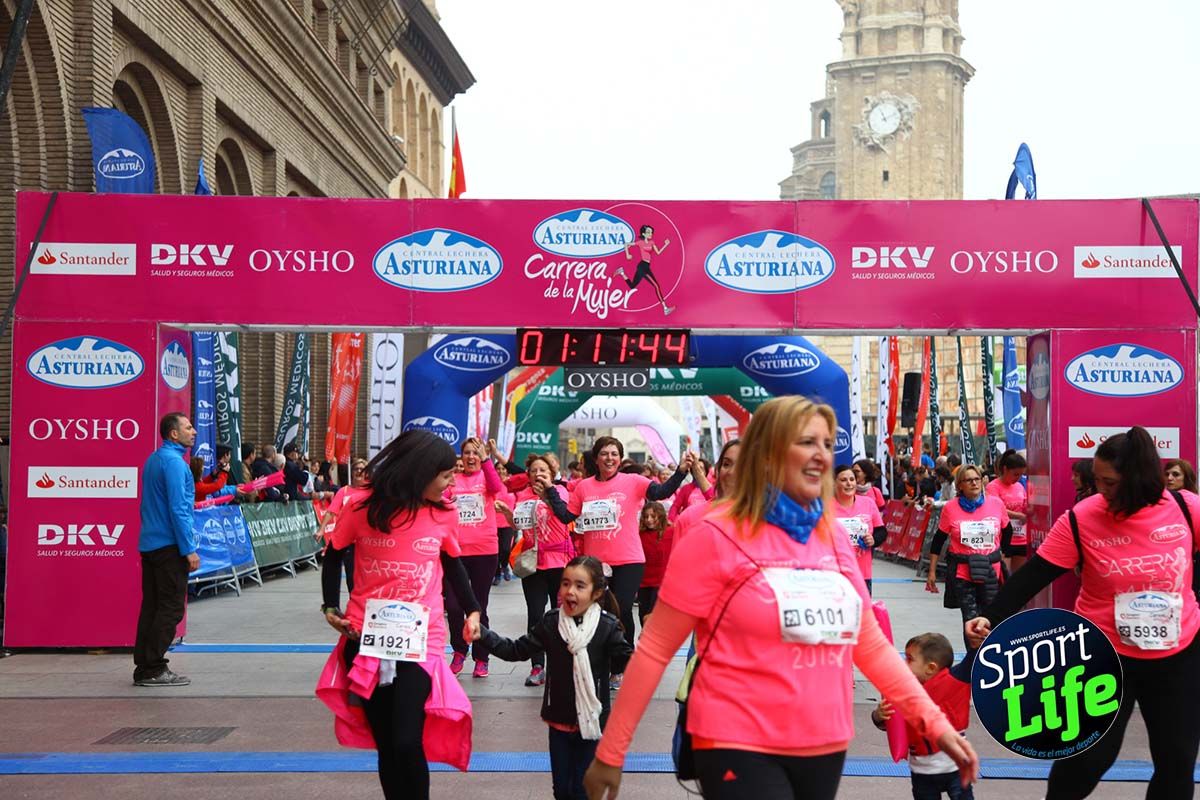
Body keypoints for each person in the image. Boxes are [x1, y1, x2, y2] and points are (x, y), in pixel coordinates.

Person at [583, 396, 978, 800]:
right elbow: (654, 651)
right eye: (807, 442)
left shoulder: (833, 538)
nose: (821, 455)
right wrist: (611, 752)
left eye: (827, 444)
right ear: (767, 453)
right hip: (735, 738)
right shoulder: (712, 535)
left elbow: (872, 648)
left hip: (824, 740)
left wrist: (936, 725)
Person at [966, 427, 1200, 800]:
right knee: (1088, 760)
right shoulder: (1082, 517)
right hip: (1104, 656)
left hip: (1178, 654)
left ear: (1138, 481)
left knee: (1177, 761)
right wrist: (990, 617)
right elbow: (1034, 575)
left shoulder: (1186, 507)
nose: (1101, 489)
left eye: (1109, 482)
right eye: (1097, 480)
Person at [316, 429, 481, 800]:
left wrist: (472, 610)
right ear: (421, 472)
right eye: (445, 474)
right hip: (365, 638)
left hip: (420, 641)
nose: (451, 481)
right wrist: (330, 606)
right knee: (387, 742)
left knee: (407, 739)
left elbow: (454, 566)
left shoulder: (444, 514)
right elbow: (333, 555)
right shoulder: (360, 508)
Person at [482, 555, 632, 800]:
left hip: (593, 724)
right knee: (561, 791)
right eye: (565, 583)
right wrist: (483, 635)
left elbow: (630, 662)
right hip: (559, 722)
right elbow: (516, 650)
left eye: (580, 586)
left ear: (596, 593)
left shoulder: (607, 627)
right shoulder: (552, 623)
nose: (569, 591)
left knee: (582, 791)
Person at [539, 436, 694, 662]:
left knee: (619, 611)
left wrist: (680, 472)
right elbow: (566, 516)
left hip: (629, 561)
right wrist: (551, 490)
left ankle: (623, 663)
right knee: (597, 614)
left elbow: (661, 493)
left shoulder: (633, 481)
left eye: (614, 454)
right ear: (596, 458)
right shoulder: (584, 486)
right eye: (604, 454)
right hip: (595, 564)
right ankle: (601, 661)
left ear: (620, 459)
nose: (609, 458)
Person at [133, 413, 201, 687]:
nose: (194, 431)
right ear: (174, 434)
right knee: (171, 608)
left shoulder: (155, 460)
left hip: (150, 544)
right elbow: (179, 509)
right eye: (188, 427)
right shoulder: (175, 464)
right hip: (169, 546)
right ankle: (153, 667)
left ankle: (145, 667)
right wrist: (189, 548)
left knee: (152, 607)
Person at [872, 633, 975, 800]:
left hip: (955, 768)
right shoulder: (903, 693)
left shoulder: (953, 682)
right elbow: (891, 726)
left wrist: (976, 641)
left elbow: (973, 660)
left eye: (910, 659)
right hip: (922, 772)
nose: (904, 664)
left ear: (931, 668)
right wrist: (879, 716)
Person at [925, 465, 1012, 645]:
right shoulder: (950, 508)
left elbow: (1007, 531)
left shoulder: (996, 504)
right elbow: (938, 541)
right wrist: (932, 572)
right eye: (968, 480)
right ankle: (972, 659)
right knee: (970, 618)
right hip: (963, 571)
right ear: (960, 486)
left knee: (990, 617)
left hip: (991, 570)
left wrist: (1003, 556)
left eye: (977, 479)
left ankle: (990, 654)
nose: (974, 483)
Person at [513, 454, 578, 686]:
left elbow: (561, 516)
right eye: (533, 470)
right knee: (535, 616)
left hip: (560, 563)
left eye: (543, 470)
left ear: (551, 473)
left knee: (562, 615)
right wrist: (504, 513)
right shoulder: (521, 496)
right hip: (533, 564)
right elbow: (520, 524)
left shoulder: (559, 492)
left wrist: (547, 493)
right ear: (528, 475)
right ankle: (537, 666)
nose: (538, 474)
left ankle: (561, 664)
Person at [447, 437, 506, 678]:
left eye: (475, 453)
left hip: (484, 551)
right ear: (461, 456)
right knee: (452, 606)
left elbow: (497, 487)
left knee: (479, 606)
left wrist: (486, 459)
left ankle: (482, 657)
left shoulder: (486, 477)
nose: (471, 457)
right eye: (467, 453)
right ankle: (459, 650)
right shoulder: (453, 480)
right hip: (455, 552)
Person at [832, 464, 887, 595]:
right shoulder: (824, 506)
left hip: (862, 573)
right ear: (834, 483)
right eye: (843, 480)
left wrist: (873, 539)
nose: (849, 484)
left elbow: (882, 531)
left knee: (862, 614)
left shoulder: (868, 503)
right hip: (834, 573)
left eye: (852, 479)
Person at [674, 439, 740, 543]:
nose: (732, 472)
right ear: (718, 470)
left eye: (742, 465)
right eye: (726, 464)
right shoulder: (688, 517)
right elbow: (676, 505)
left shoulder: (766, 519)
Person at [320, 457, 370, 593]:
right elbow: (331, 511)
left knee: (368, 576)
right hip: (349, 541)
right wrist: (321, 530)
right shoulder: (344, 491)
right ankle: (353, 604)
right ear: (352, 472)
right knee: (351, 576)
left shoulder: (372, 491)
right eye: (356, 469)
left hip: (367, 541)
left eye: (362, 469)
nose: (359, 472)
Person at [615, 224, 674, 316]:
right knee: (656, 286)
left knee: (632, 286)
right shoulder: (640, 242)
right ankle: (665, 308)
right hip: (643, 266)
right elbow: (626, 244)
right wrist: (627, 255)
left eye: (651, 232)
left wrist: (665, 245)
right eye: (648, 232)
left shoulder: (652, 242)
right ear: (643, 233)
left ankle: (622, 272)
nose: (650, 234)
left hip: (646, 266)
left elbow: (658, 252)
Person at [987, 449, 1028, 571]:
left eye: (1021, 475)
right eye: (1015, 474)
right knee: (1004, 577)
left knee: (1019, 578)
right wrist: (1019, 516)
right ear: (1005, 469)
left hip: (1021, 538)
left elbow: (1025, 505)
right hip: (1004, 538)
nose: (1018, 478)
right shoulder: (993, 486)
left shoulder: (1020, 486)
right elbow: (997, 509)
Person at [635, 502, 672, 630]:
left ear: (660, 516)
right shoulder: (639, 535)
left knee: (651, 618)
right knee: (643, 616)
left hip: (662, 584)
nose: (649, 520)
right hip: (643, 583)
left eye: (653, 516)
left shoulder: (671, 532)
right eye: (646, 517)